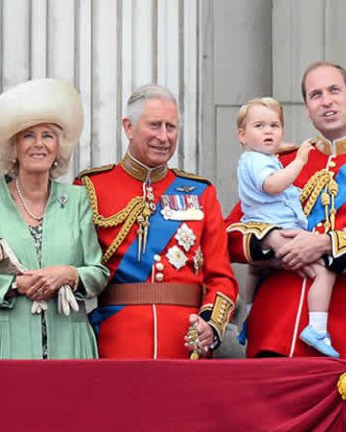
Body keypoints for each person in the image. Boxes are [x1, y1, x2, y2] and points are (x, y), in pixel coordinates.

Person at [226, 62, 346, 359]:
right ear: (306, 108)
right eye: (315, 95)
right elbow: (229, 235)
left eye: (334, 91)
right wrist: (272, 241)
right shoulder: (281, 162)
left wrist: (326, 245)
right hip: (273, 331)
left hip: (344, 335)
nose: (326, 101)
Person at [76, 84, 238, 359]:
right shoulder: (91, 187)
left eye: (171, 127)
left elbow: (221, 276)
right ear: (128, 127)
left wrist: (211, 324)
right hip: (116, 339)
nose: (164, 137)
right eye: (154, 126)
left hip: (185, 342)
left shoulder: (200, 192)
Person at [0, 78, 109, 359]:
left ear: (58, 147)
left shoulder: (77, 200)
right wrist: (15, 285)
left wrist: (70, 274)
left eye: (48, 135)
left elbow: (98, 273)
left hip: (68, 341)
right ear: (12, 148)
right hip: (3, 343)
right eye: (28, 136)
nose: (39, 144)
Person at [235, 97, 339, 358]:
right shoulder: (262, 162)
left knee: (256, 272)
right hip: (280, 227)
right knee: (324, 273)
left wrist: (288, 149)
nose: (269, 131)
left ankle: (248, 315)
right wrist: (300, 160)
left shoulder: (257, 157)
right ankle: (317, 329)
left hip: (261, 225)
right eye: (260, 126)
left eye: (275, 125)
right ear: (242, 135)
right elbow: (273, 185)